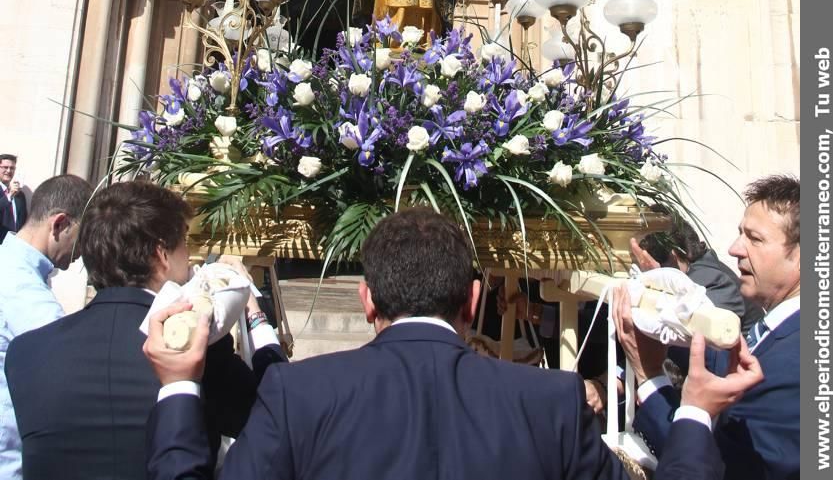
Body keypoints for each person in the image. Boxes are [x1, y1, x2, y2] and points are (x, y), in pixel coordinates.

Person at [143, 208, 762, 480]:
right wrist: (696, 411)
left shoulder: (296, 393)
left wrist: (177, 387)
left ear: (367, 300)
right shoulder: (550, 401)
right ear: (472, 301)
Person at [5, 180, 286, 480]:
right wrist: (253, 314)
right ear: (162, 254)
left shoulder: (25, 352)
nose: (189, 260)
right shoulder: (194, 351)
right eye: (184, 245)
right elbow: (276, 418)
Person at [614, 174, 800, 480]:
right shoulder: (783, 329)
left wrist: (650, 377)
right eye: (740, 234)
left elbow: (717, 468)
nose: (734, 248)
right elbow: (719, 360)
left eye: (754, 239)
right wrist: (665, 306)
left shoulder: (797, 362)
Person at [0, 172, 92, 480]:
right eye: (82, 236)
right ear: (60, 224)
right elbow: (66, 367)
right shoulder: (22, 287)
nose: (81, 252)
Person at [637, 220, 757, 332]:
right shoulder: (704, 270)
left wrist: (657, 281)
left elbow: (696, 334)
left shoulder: (712, 280)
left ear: (674, 258)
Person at [0, 155, 27, 243]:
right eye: (5, 167)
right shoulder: (12, 193)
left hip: (15, 244)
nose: (8, 171)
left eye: (12, 168)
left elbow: (23, 221)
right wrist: (9, 195)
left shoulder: (19, 195)